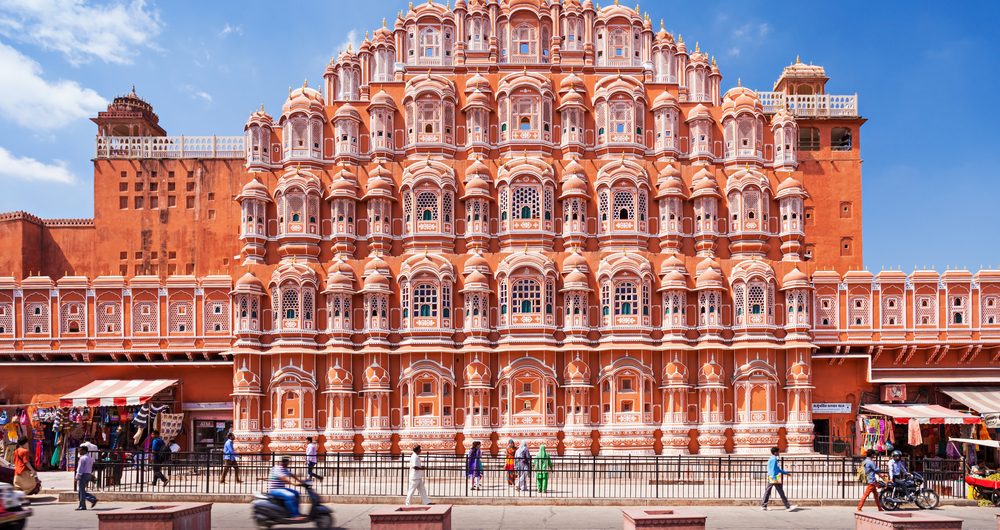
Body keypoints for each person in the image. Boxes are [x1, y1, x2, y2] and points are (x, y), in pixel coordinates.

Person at [269, 455, 306, 522]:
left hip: (281, 488)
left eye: (287, 462)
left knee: (296, 493)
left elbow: (292, 475)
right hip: (275, 489)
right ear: (282, 462)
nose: (287, 463)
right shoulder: (277, 468)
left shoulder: (285, 469)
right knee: (290, 495)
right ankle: (294, 516)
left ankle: (296, 512)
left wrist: (301, 481)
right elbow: (284, 478)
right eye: (286, 462)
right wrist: (294, 483)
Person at [761, 447, 798, 512]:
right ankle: (788, 506)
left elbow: (777, 469)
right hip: (774, 477)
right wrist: (775, 477)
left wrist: (786, 473)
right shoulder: (774, 459)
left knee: (768, 491)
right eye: (778, 452)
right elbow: (774, 469)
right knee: (780, 492)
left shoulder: (772, 458)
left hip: (772, 477)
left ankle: (764, 505)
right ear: (775, 452)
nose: (779, 453)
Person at [75, 445, 98, 511]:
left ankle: (83, 505)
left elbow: (80, 468)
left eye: (80, 450)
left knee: (81, 491)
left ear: (84, 450)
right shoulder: (90, 458)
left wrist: (77, 477)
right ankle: (91, 499)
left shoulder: (82, 458)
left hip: (83, 475)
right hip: (88, 474)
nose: (79, 451)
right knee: (81, 490)